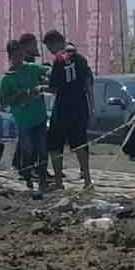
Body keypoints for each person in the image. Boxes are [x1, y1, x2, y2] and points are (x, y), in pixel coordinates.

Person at [43, 30, 94, 190]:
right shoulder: (81, 59)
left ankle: (59, 182)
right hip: (80, 106)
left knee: (54, 143)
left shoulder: (59, 59)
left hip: (63, 107)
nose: (51, 51)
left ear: (56, 42)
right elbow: (88, 83)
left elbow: (54, 88)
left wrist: (40, 88)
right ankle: (87, 180)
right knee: (80, 142)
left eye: (50, 47)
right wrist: (90, 105)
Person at [0, 40, 49, 198]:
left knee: (43, 150)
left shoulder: (32, 68)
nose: (19, 56)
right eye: (15, 53)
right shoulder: (7, 79)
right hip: (23, 121)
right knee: (27, 151)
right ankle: (27, 179)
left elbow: (49, 72)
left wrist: (45, 82)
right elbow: (3, 102)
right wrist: (18, 96)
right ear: (10, 56)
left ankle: (43, 180)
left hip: (39, 117)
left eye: (20, 52)